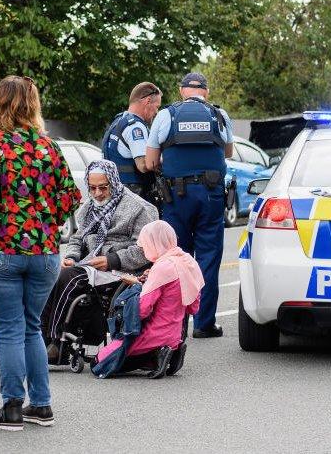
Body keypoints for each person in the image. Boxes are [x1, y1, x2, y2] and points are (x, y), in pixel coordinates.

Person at [0, 75, 81, 431]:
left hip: (1, 249)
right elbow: (71, 196)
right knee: (32, 327)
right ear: (33, 105)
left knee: (8, 329)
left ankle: (12, 406)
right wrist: (45, 222)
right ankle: (41, 405)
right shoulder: (49, 147)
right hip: (44, 252)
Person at [40, 159, 158, 361]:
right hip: (89, 264)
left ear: (113, 182)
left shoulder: (139, 208)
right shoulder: (89, 207)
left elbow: (146, 249)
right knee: (49, 274)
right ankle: (41, 340)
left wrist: (112, 260)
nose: (97, 194)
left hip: (119, 269)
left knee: (67, 277)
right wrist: (71, 256)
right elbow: (77, 238)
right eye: (92, 188)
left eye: (103, 188)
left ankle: (54, 342)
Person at [144, 72, 233, 339]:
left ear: (182, 91)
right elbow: (227, 152)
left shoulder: (166, 115)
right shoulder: (220, 115)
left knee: (175, 257)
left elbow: (149, 162)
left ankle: (175, 321)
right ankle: (204, 324)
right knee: (208, 257)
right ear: (205, 91)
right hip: (211, 194)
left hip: (176, 195)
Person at [94, 220, 204, 378]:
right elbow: (193, 307)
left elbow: (143, 310)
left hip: (154, 334)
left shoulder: (162, 268)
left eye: (145, 245)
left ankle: (157, 354)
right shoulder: (187, 261)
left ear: (154, 243)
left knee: (99, 363)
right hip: (176, 333)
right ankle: (169, 352)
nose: (144, 249)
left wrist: (137, 285)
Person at [100, 82, 163, 205]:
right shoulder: (135, 127)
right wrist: (164, 158)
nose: (156, 112)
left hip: (117, 192)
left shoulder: (118, 121)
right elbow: (144, 165)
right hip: (133, 196)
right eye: (157, 107)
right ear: (148, 101)